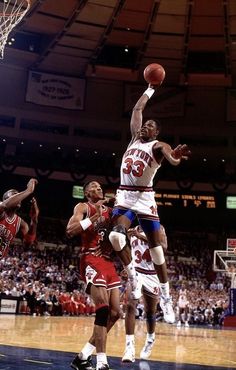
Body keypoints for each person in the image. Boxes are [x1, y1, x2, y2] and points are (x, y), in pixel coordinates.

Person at [109, 83, 191, 323]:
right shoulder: (134, 139)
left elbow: (171, 156)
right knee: (115, 237)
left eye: (151, 126)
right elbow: (137, 110)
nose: (146, 126)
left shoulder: (157, 146)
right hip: (125, 196)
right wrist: (151, 88)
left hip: (144, 198)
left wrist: (174, 157)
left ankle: (166, 297)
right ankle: (133, 277)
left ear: (156, 133)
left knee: (157, 251)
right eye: (145, 125)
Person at [66, 181, 121, 370]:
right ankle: (102, 362)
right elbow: (70, 230)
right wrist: (95, 215)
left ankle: (82, 357)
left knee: (115, 313)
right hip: (90, 258)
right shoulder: (83, 207)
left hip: (107, 261)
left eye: (100, 187)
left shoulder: (111, 210)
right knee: (103, 309)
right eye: (94, 187)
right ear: (87, 192)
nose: (99, 188)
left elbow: (118, 232)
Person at [122, 224, 168, 363]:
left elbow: (164, 247)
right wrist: (128, 267)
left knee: (150, 312)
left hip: (152, 274)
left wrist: (140, 236)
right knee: (130, 306)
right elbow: (129, 251)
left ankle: (150, 338)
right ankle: (129, 347)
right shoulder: (131, 229)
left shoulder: (158, 228)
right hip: (136, 272)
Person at [0, 178, 39, 258]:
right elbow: (4, 205)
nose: (19, 198)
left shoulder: (21, 223)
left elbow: (28, 243)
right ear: (6, 199)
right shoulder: (1, 206)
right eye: (14, 195)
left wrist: (34, 220)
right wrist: (28, 191)